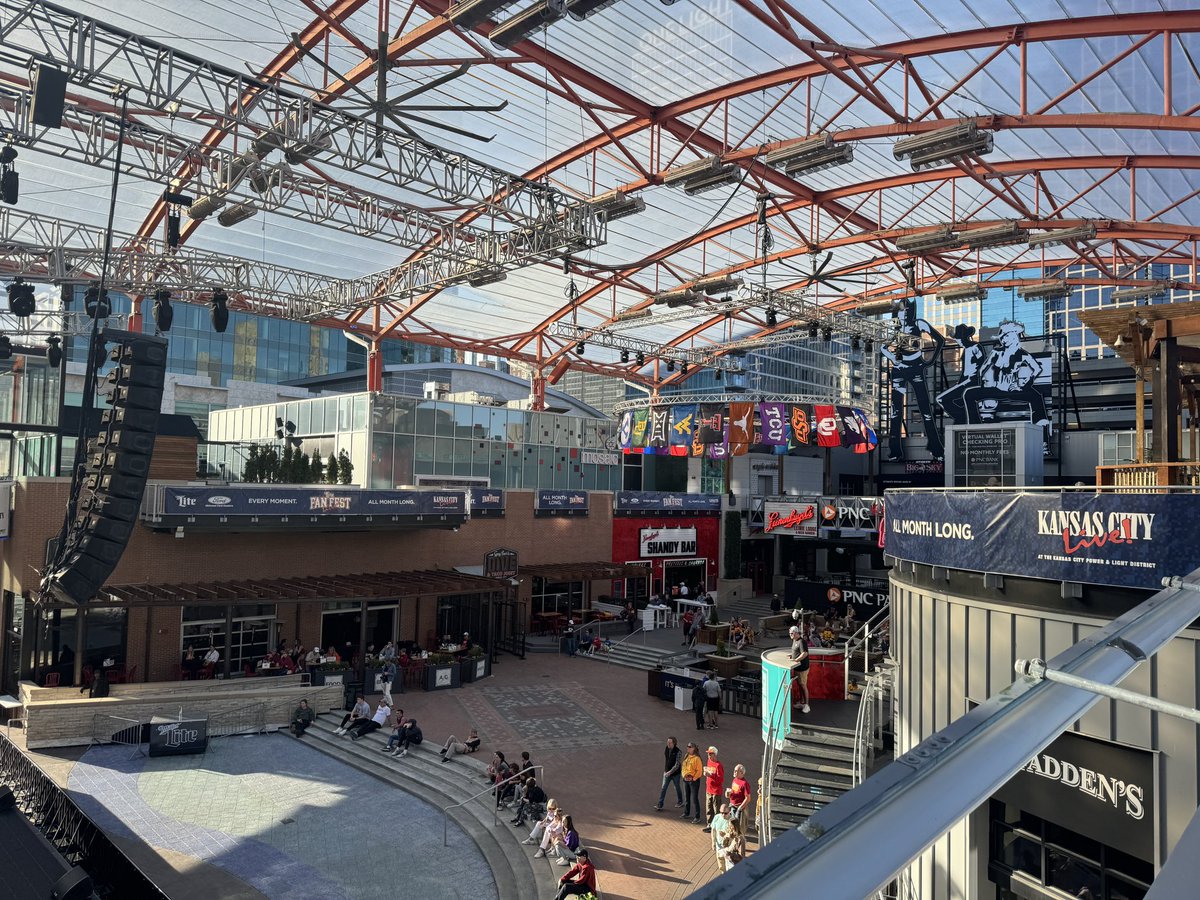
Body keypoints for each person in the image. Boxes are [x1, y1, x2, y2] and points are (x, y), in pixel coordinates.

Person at [654, 735, 683, 811]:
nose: (668, 744)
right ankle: (660, 804)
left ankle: (680, 801)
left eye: (670, 743)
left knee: (677, 787)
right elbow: (667, 760)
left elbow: (677, 765)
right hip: (667, 772)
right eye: (668, 742)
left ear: (674, 743)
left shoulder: (678, 752)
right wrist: (665, 770)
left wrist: (670, 772)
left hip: (676, 774)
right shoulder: (666, 748)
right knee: (663, 788)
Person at [789, 625, 811, 714]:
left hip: (802, 668)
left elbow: (805, 653)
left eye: (792, 633)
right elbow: (797, 652)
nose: (790, 635)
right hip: (797, 668)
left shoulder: (802, 641)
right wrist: (792, 656)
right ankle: (802, 703)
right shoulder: (794, 640)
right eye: (790, 633)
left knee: (803, 685)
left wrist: (796, 660)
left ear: (796, 633)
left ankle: (807, 705)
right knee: (800, 685)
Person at [702, 746, 725, 832]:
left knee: (716, 810)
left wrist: (711, 775)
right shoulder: (709, 762)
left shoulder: (719, 766)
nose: (708, 755)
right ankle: (709, 825)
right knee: (709, 808)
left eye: (710, 754)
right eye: (708, 754)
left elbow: (721, 780)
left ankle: (718, 826)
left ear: (715, 754)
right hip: (708, 790)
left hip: (716, 791)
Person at [681, 741, 703, 824]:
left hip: (694, 781)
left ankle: (697, 817)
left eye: (689, 747)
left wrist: (693, 778)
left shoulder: (697, 759)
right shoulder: (686, 756)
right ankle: (686, 813)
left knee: (694, 799)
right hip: (686, 780)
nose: (688, 748)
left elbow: (699, 771)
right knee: (687, 797)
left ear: (694, 748)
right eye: (687, 746)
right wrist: (684, 776)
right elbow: (683, 767)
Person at [726, 763, 752, 835]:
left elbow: (748, 798)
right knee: (732, 824)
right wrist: (729, 793)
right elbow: (735, 791)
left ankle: (739, 840)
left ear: (742, 773)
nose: (734, 772)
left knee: (739, 826)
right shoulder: (734, 780)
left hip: (739, 808)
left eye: (736, 771)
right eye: (734, 770)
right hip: (732, 806)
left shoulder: (744, 784)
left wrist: (740, 808)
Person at [709, 802, 730, 873]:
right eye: (721, 813)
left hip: (728, 845)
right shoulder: (717, 817)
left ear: (729, 812)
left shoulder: (732, 820)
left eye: (725, 813)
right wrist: (713, 842)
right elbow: (713, 830)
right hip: (719, 845)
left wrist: (725, 835)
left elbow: (735, 834)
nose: (723, 815)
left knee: (728, 862)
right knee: (720, 862)